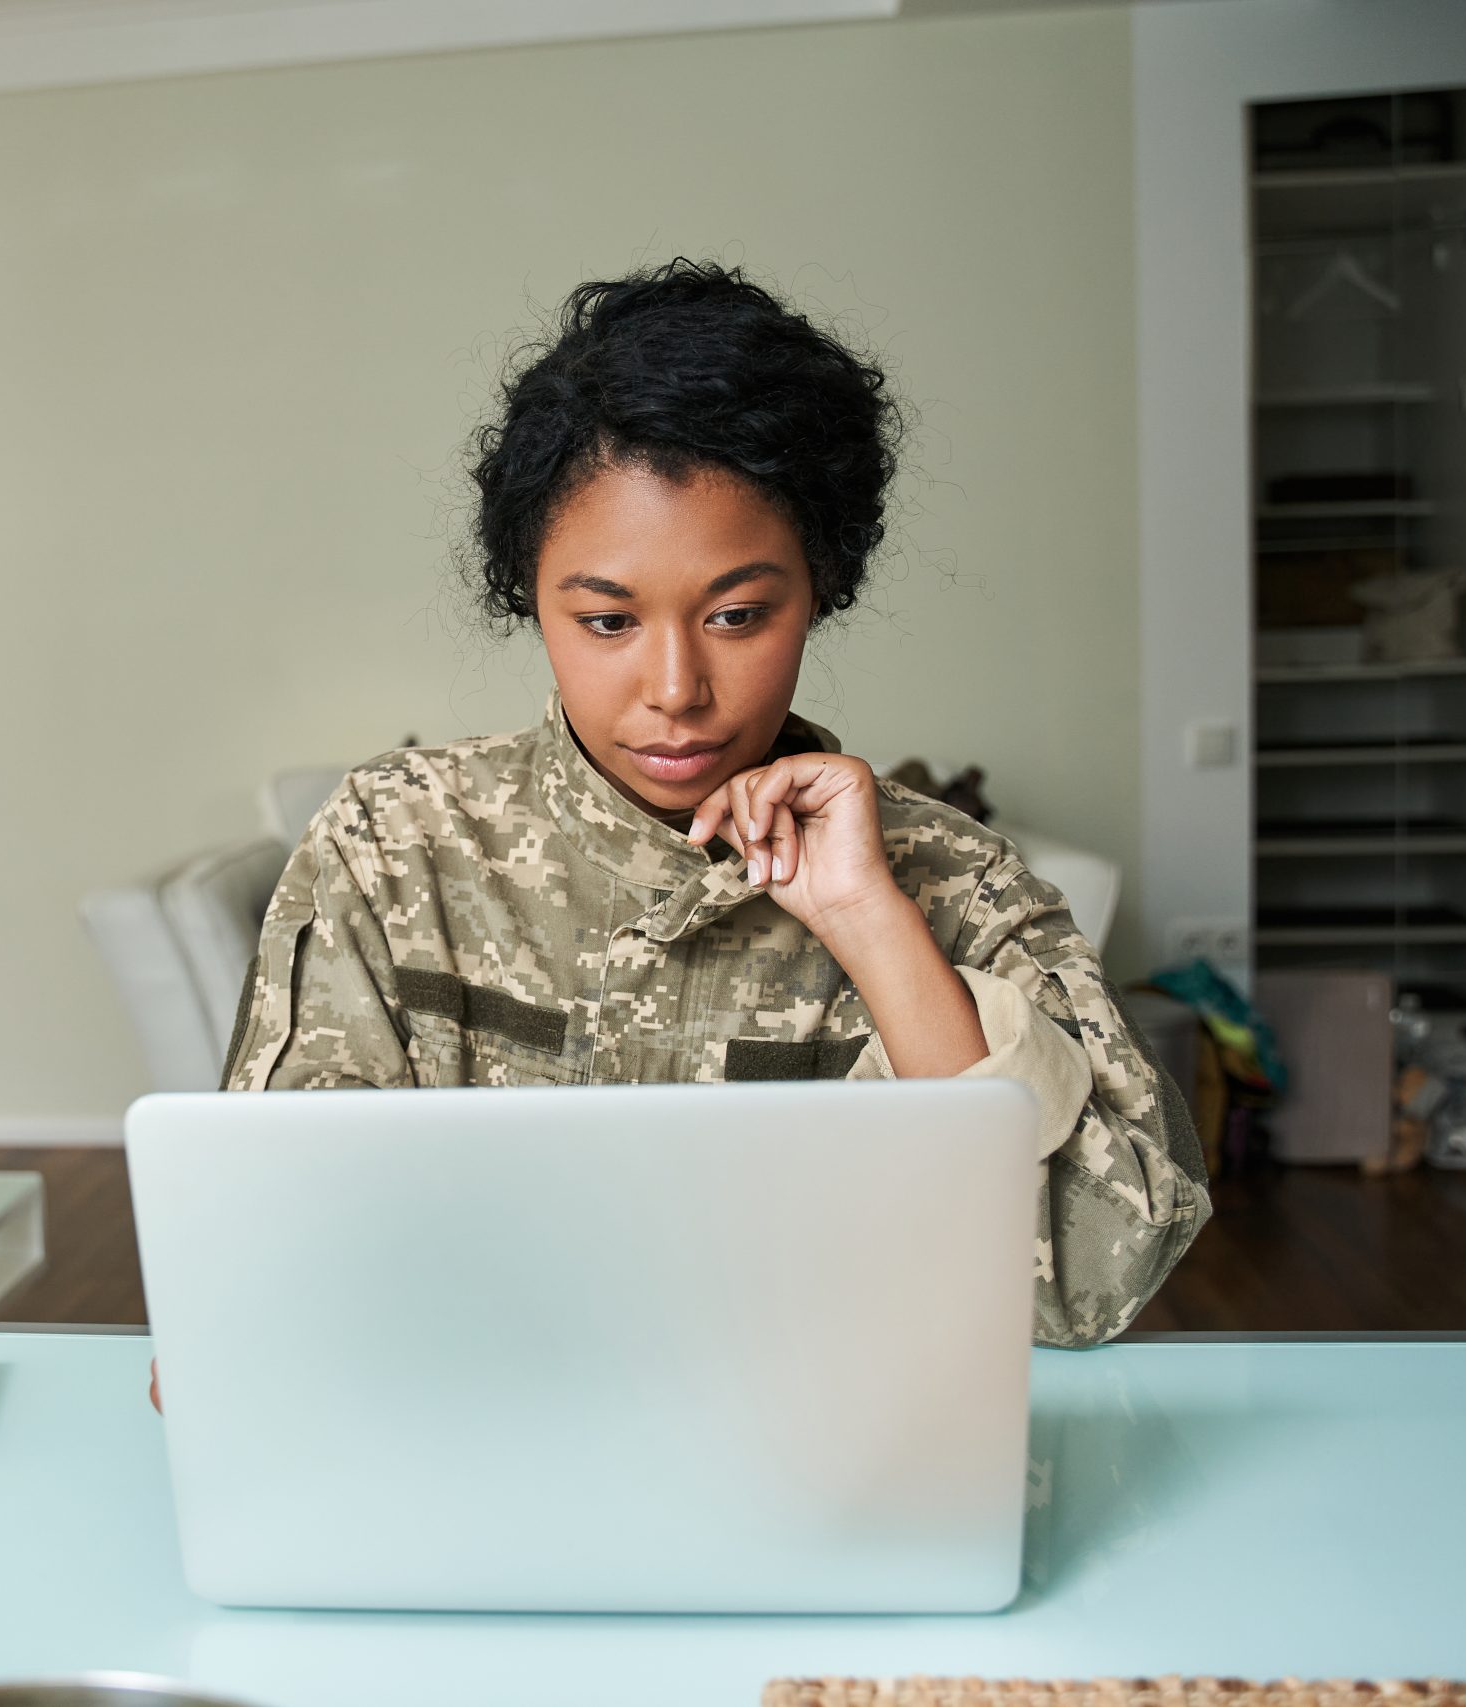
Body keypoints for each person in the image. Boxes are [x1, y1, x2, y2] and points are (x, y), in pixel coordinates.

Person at [217, 258, 1209, 1357]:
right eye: (606, 622)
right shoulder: (396, 845)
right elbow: (279, 1242)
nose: (676, 689)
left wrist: (873, 929)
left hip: (835, 1474)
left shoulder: (956, 885)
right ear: (531, 597)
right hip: (478, 1448)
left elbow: (1084, 1289)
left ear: (817, 589)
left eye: (737, 616)